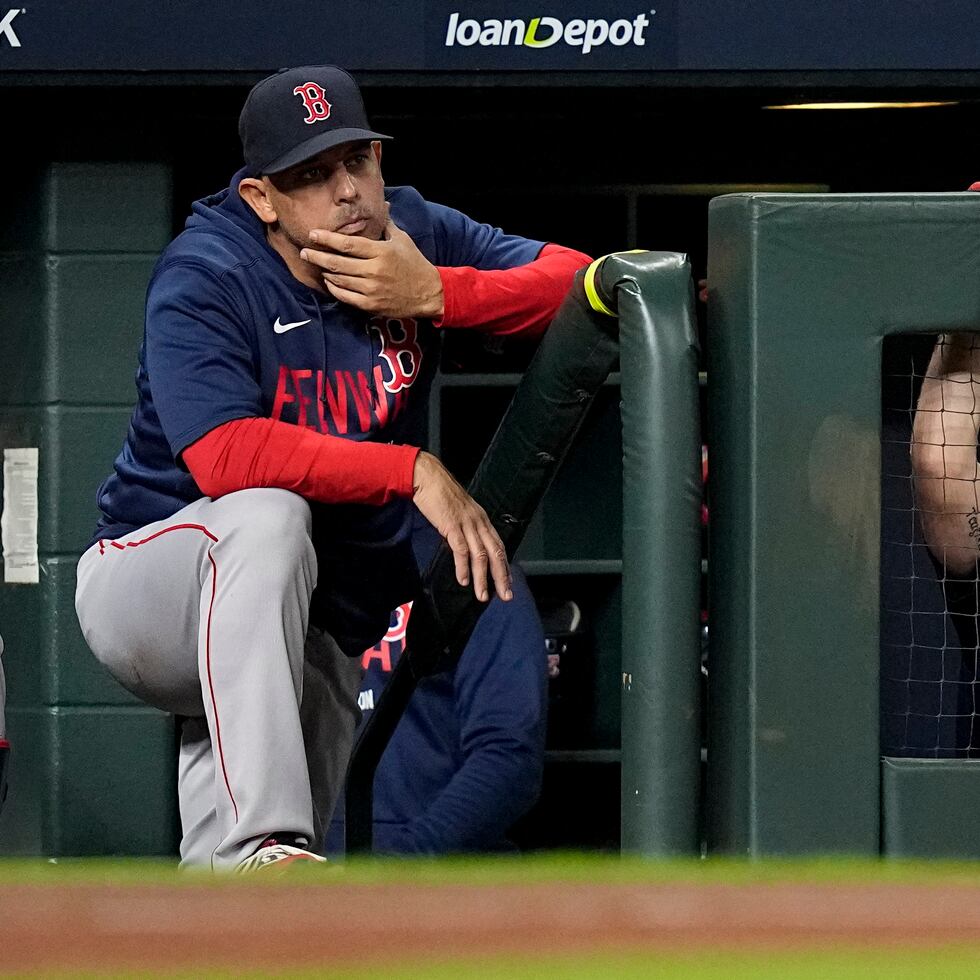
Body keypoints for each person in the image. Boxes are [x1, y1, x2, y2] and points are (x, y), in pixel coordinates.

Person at [73, 65, 590, 871]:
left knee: (263, 899)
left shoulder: (411, 232)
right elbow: (224, 453)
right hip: (153, 587)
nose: (347, 190)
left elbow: (586, 285)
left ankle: (247, 879)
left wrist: (440, 294)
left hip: (309, 621)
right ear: (262, 200)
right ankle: (262, 841)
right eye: (311, 175)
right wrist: (409, 467)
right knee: (266, 515)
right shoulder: (208, 270)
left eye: (358, 160)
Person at [326, 516, 547, 855]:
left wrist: (402, 862)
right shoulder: (279, 552)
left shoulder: (468, 559)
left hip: (434, 874)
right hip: (294, 869)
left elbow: (509, 753)